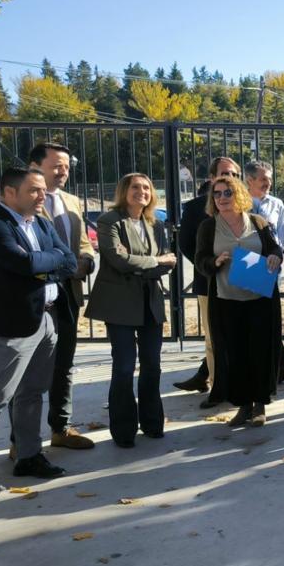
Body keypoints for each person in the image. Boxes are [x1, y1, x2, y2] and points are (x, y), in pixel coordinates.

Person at [0, 168, 78, 496]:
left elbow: (68, 261)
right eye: (34, 191)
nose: (43, 197)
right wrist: (46, 263)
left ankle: (28, 456)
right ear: (9, 193)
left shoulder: (40, 222)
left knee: (33, 392)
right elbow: (24, 265)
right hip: (11, 327)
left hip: (46, 320)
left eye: (43, 191)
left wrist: (45, 263)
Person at [84, 173, 177, 448]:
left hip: (150, 302)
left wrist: (147, 262)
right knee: (124, 367)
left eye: (146, 187)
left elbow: (168, 263)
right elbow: (117, 259)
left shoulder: (156, 223)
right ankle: (123, 431)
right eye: (135, 187)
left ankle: (152, 423)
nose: (142, 192)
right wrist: (154, 261)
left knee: (153, 366)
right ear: (124, 191)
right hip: (120, 305)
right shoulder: (108, 221)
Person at [195, 174, 284, 427]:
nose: (222, 198)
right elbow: (200, 260)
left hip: (259, 297)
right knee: (235, 353)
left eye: (227, 193)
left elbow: (275, 249)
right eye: (217, 194)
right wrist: (214, 262)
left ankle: (260, 405)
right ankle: (243, 406)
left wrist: (275, 257)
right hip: (226, 299)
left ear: (239, 195)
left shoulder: (258, 222)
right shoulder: (208, 227)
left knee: (260, 350)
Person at [28, 141, 97, 452]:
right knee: (31, 369)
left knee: (64, 364)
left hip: (68, 293)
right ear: (36, 166)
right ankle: (24, 440)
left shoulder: (71, 200)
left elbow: (82, 242)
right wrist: (64, 264)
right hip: (35, 297)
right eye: (57, 165)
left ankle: (61, 426)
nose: (63, 172)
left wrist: (86, 260)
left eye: (67, 167)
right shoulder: (23, 201)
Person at [174, 157, 240, 404]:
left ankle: (241, 388)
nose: (229, 178)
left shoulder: (247, 207)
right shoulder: (194, 208)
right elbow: (187, 246)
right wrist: (212, 265)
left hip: (242, 283)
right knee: (214, 339)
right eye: (224, 173)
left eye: (234, 174)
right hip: (210, 282)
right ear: (212, 178)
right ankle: (218, 388)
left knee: (240, 337)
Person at [245, 160, 284, 383]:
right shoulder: (239, 202)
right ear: (249, 180)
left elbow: (281, 237)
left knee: (269, 319)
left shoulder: (276, 204)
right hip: (246, 264)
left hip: (269, 266)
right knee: (248, 321)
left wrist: (278, 257)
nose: (268, 183)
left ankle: (274, 369)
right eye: (263, 178)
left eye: (269, 178)